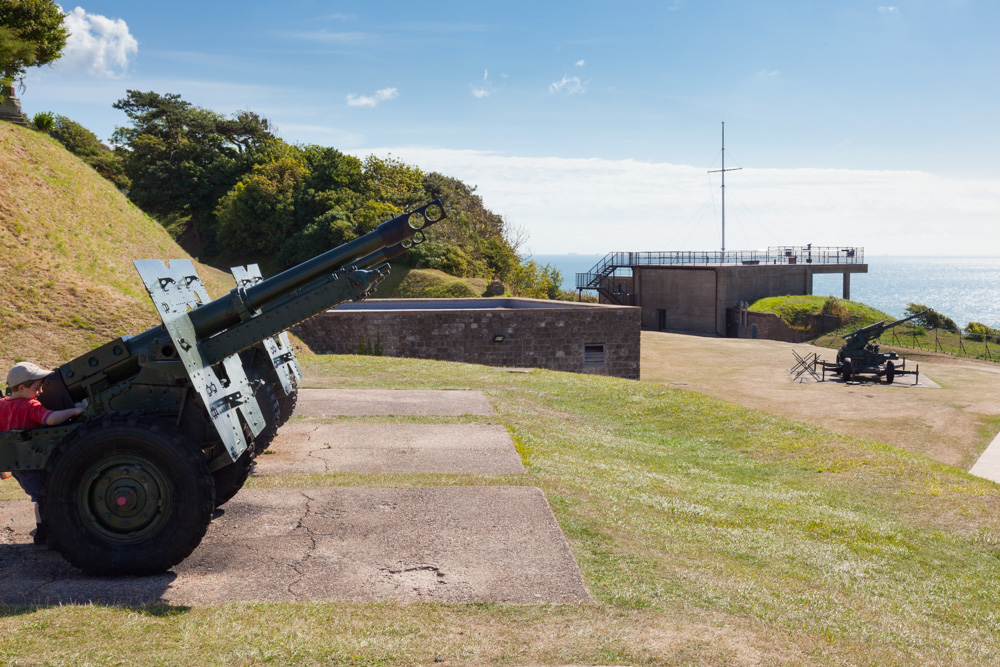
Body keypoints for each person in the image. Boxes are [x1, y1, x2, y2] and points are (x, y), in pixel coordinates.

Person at [1, 361, 86, 545]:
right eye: (37, 388)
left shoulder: (2, 405)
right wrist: (75, 410)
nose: (40, 392)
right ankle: (46, 533)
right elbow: (51, 420)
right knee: (45, 496)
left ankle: (43, 532)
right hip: (34, 460)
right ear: (22, 387)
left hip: (17, 464)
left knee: (40, 496)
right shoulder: (30, 405)